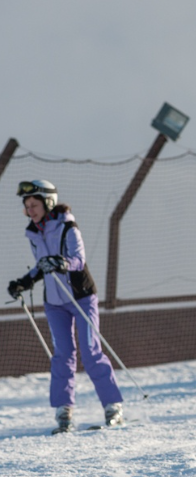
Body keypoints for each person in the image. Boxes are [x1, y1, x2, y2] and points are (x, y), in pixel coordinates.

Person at [7, 179, 124, 435]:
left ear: (48, 203)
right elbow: (40, 264)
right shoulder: (33, 231)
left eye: (34, 204)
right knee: (62, 356)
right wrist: (24, 282)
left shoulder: (68, 226)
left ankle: (112, 406)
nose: (30, 210)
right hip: (55, 302)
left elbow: (78, 260)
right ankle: (64, 410)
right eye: (27, 206)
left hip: (80, 296)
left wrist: (59, 262)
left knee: (91, 352)